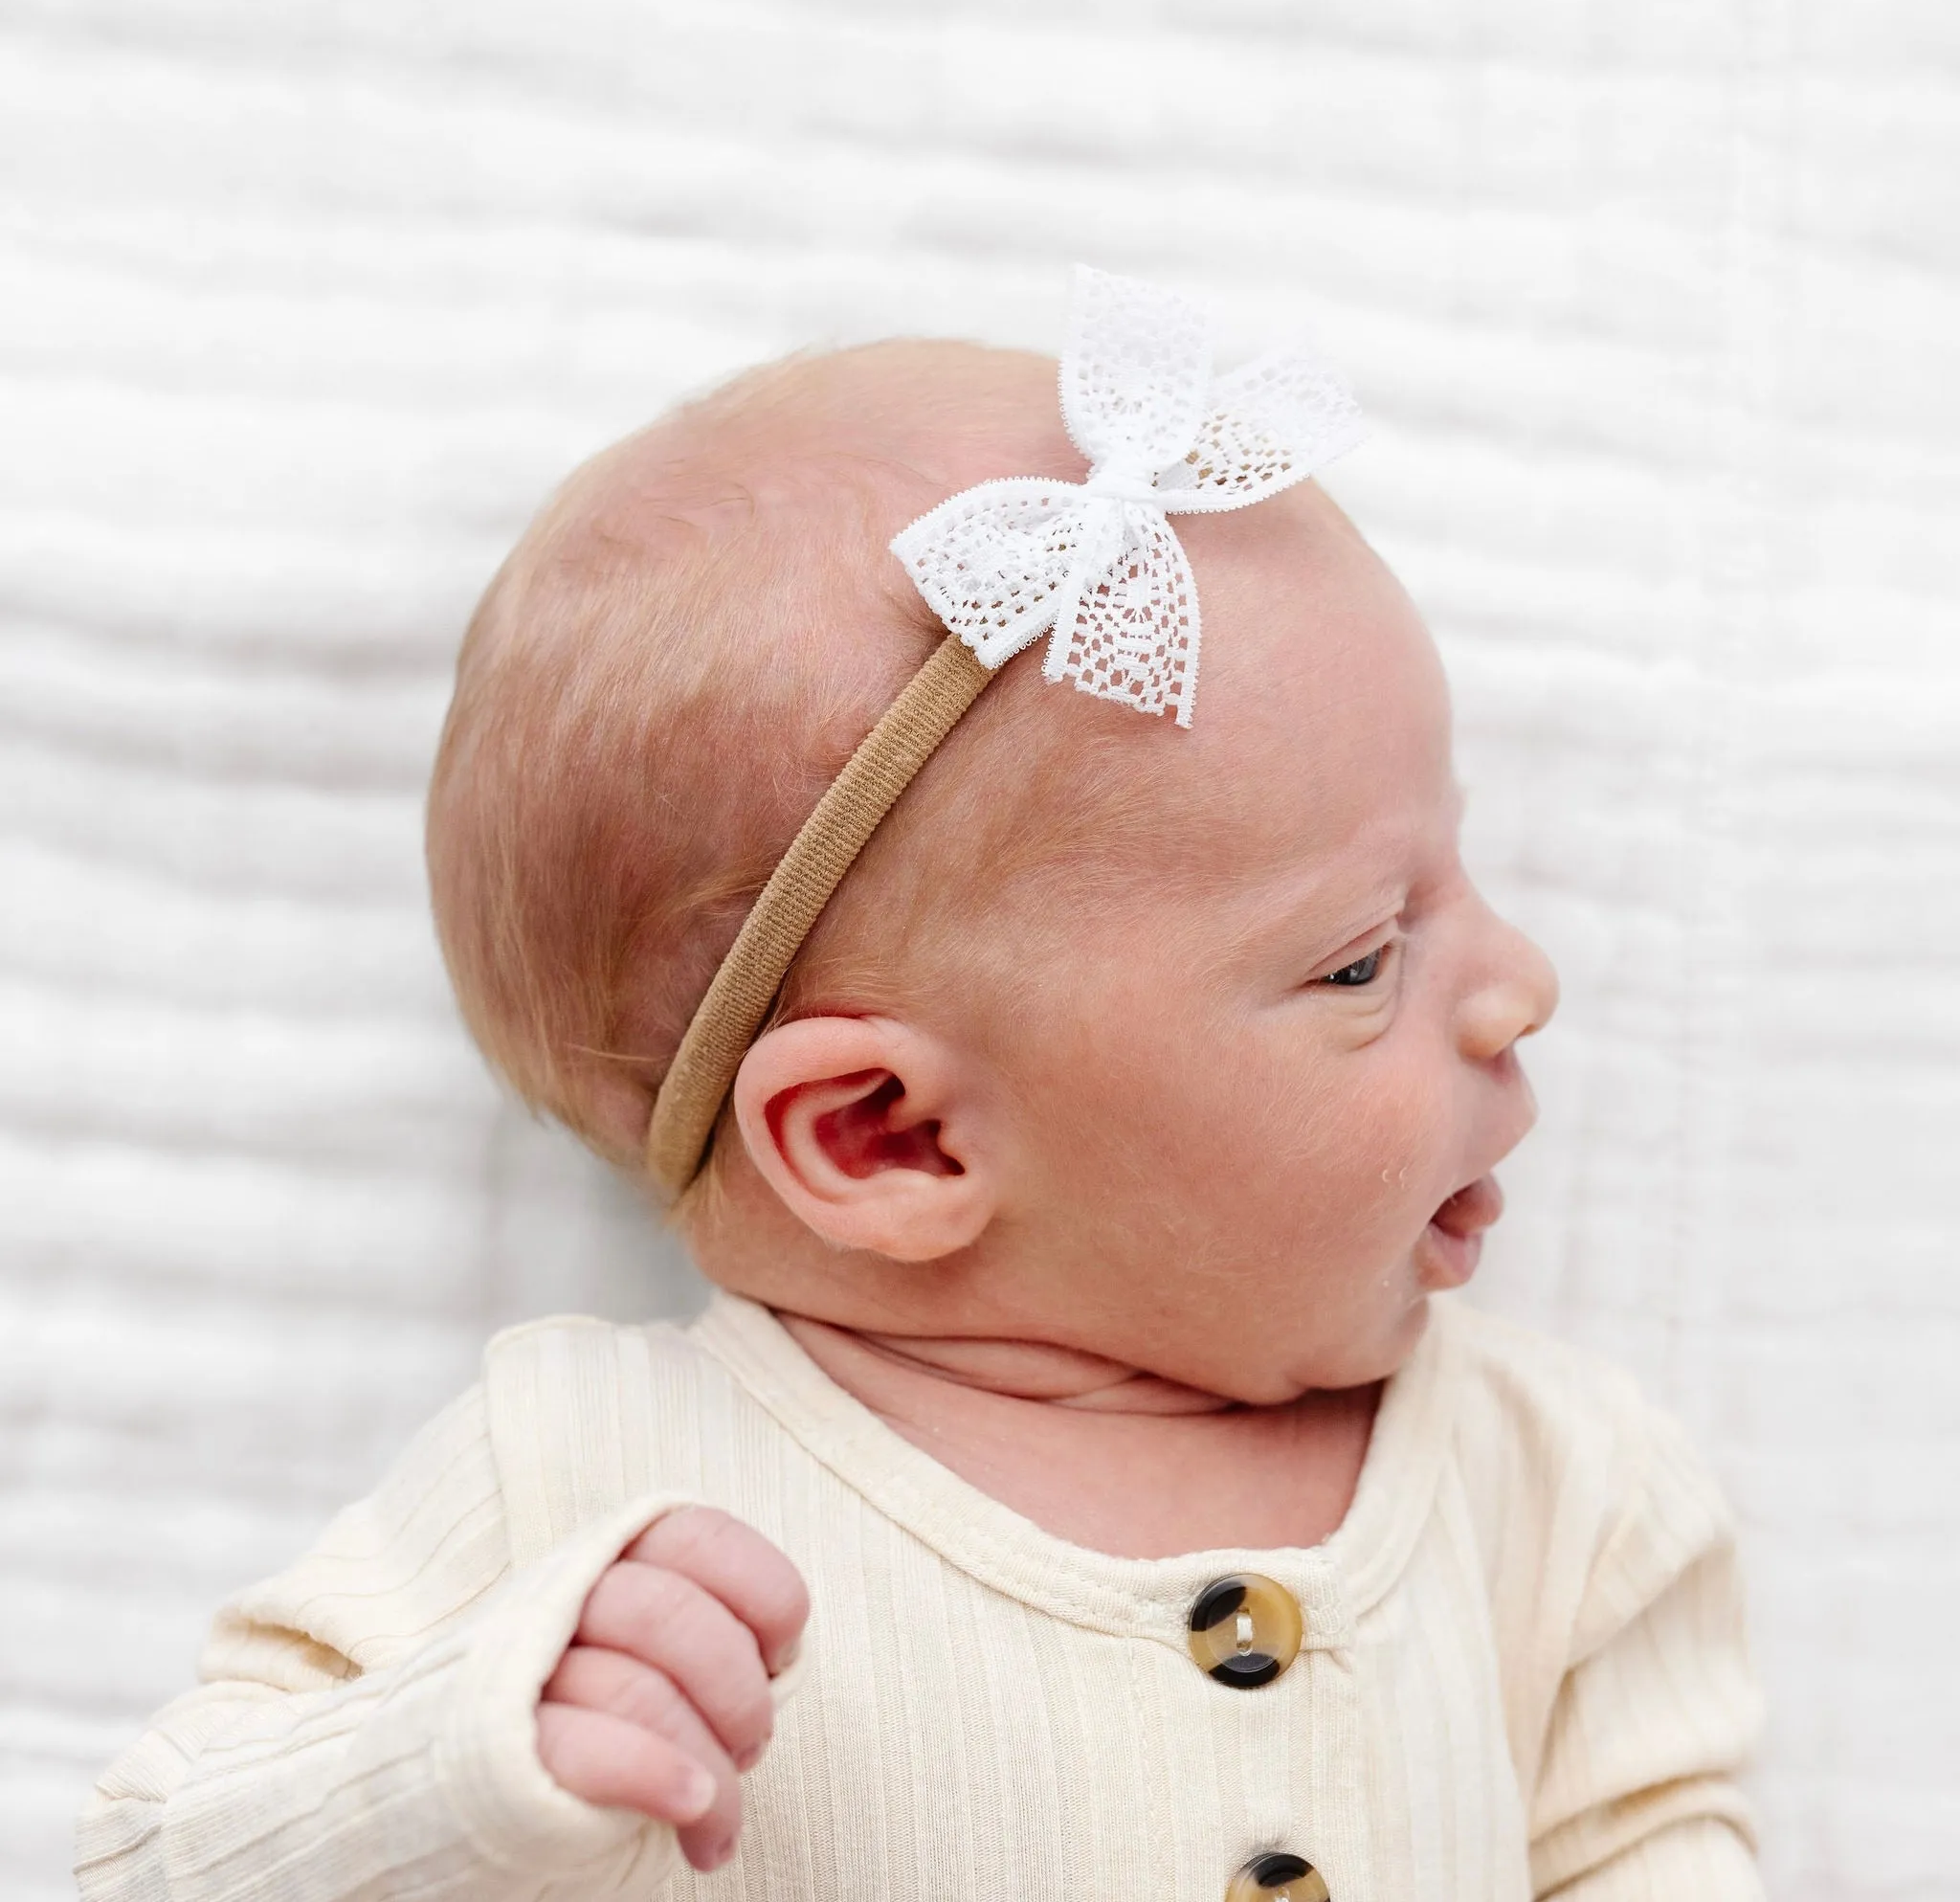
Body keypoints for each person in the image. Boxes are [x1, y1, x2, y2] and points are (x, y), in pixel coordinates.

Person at [75, 270, 1762, 1901]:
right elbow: (153, 1861)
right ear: (891, 1136)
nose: (1521, 984)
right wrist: (471, 1766)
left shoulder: (1549, 1491)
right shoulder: (586, 1479)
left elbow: (1657, 1842)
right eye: (1360, 957)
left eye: (1452, 870)